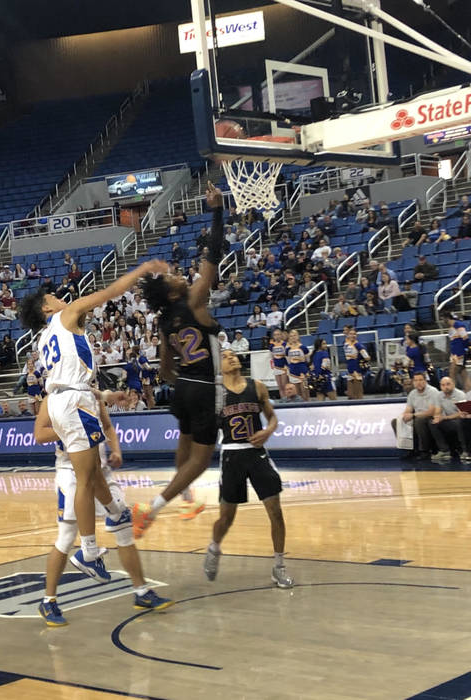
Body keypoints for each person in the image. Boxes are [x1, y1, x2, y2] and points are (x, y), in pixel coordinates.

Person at [19, 256, 167, 573]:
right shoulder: (66, 316)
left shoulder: (45, 336)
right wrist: (142, 270)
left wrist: (103, 395)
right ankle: (87, 550)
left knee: (94, 472)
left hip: (68, 399)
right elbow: (110, 292)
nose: (61, 299)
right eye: (53, 298)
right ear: (47, 309)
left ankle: (115, 513)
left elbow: (68, 374)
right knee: (86, 480)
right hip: (74, 402)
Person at [131, 183, 230, 538]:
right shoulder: (194, 302)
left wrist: (183, 383)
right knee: (201, 460)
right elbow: (213, 258)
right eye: (174, 276)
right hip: (204, 388)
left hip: (184, 388)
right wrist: (217, 210)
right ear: (173, 291)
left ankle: (187, 501)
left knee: (184, 446)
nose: (180, 275)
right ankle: (151, 509)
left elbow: (165, 369)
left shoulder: (162, 320)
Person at [33, 391, 172, 626]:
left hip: (102, 471)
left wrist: (116, 449)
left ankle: (142, 592)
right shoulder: (51, 399)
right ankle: (49, 601)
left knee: (124, 528)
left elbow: (107, 427)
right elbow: (39, 434)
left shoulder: (91, 395)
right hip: (71, 471)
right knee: (66, 537)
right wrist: (73, 427)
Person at [204, 349, 293, 588]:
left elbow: (272, 417)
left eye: (234, 354)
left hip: (257, 454)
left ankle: (279, 566)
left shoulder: (258, 386)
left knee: (275, 511)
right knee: (226, 518)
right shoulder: (216, 394)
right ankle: (214, 548)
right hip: (231, 456)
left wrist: (268, 431)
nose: (231, 357)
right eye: (225, 356)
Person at [399, 372, 442, 459]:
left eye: (421, 380)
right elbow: (408, 410)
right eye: (416, 380)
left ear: (425, 381)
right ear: (413, 382)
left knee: (419, 421)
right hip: (417, 416)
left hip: (430, 417)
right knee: (397, 421)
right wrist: (404, 416)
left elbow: (431, 411)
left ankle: (424, 451)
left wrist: (413, 415)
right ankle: (409, 449)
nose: (418, 382)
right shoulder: (412, 394)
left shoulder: (432, 391)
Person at [342, 325, 370, 400]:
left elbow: (367, 357)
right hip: (349, 367)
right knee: (350, 394)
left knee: (358, 390)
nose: (352, 335)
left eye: (354, 334)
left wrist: (361, 362)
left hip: (356, 367)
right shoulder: (346, 342)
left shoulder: (357, 344)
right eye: (351, 334)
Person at [284, 329, 310, 402]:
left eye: (295, 335)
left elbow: (307, 360)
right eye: (291, 336)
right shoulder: (288, 349)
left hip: (302, 372)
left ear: (298, 336)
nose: (293, 337)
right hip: (293, 373)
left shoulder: (303, 348)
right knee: (296, 394)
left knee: (305, 392)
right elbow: (288, 361)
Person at [268, 328, 289, 398]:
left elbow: (287, 356)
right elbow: (271, 356)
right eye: (275, 335)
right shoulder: (271, 345)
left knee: (284, 385)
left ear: (281, 335)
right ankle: (283, 400)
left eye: (278, 334)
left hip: (284, 366)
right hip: (276, 367)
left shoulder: (285, 344)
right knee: (280, 386)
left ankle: (288, 399)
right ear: (273, 336)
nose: (277, 336)